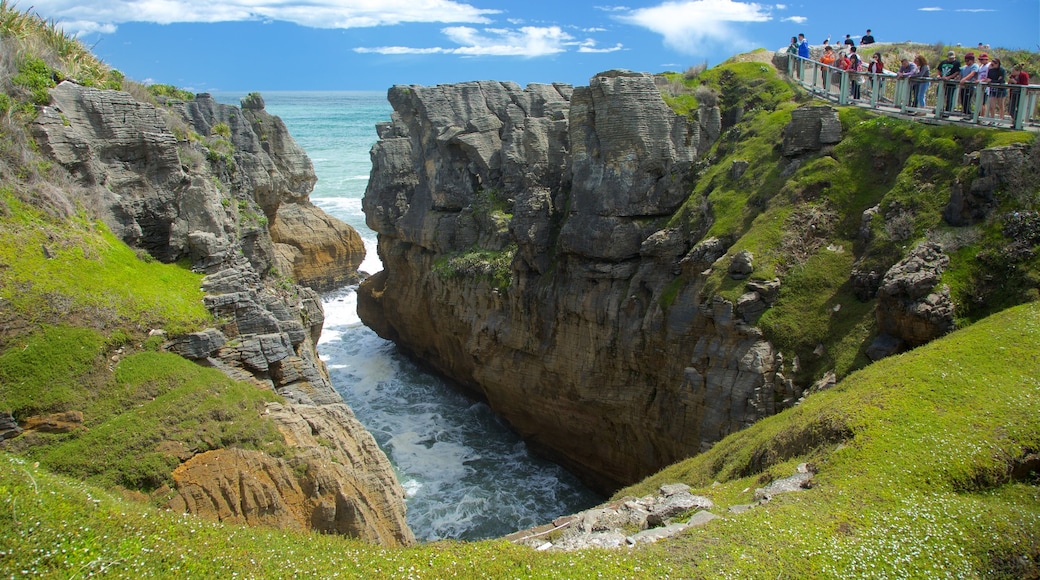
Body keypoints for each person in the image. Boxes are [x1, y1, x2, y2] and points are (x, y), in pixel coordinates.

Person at [937, 50, 961, 115]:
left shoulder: (957, 63)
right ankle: (939, 109)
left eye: (952, 58)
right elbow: (939, 69)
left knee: (949, 98)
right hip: (942, 82)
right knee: (939, 96)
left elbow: (957, 72)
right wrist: (939, 75)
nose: (951, 59)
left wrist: (949, 77)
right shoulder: (943, 62)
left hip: (951, 83)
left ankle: (947, 112)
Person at [984, 57, 1007, 122]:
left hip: (1000, 90)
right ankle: (992, 119)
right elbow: (988, 79)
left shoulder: (1002, 70)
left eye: (995, 63)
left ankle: (1001, 119)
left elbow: (1000, 80)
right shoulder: (990, 70)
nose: (993, 64)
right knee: (992, 106)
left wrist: (992, 80)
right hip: (992, 90)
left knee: (1000, 105)